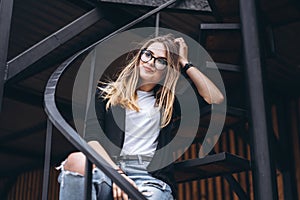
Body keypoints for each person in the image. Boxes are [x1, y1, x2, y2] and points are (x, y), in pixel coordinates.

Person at [57, 34, 224, 200]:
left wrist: (184, 62)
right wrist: (117, 175)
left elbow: (215, 98)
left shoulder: (169, 103)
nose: (150, 62)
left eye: (161, 61)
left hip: (149, 179)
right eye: (148, 54)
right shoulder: (107, 95)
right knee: (76, 160)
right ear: (139, 57)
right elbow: (92, 139)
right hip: (111, 169)